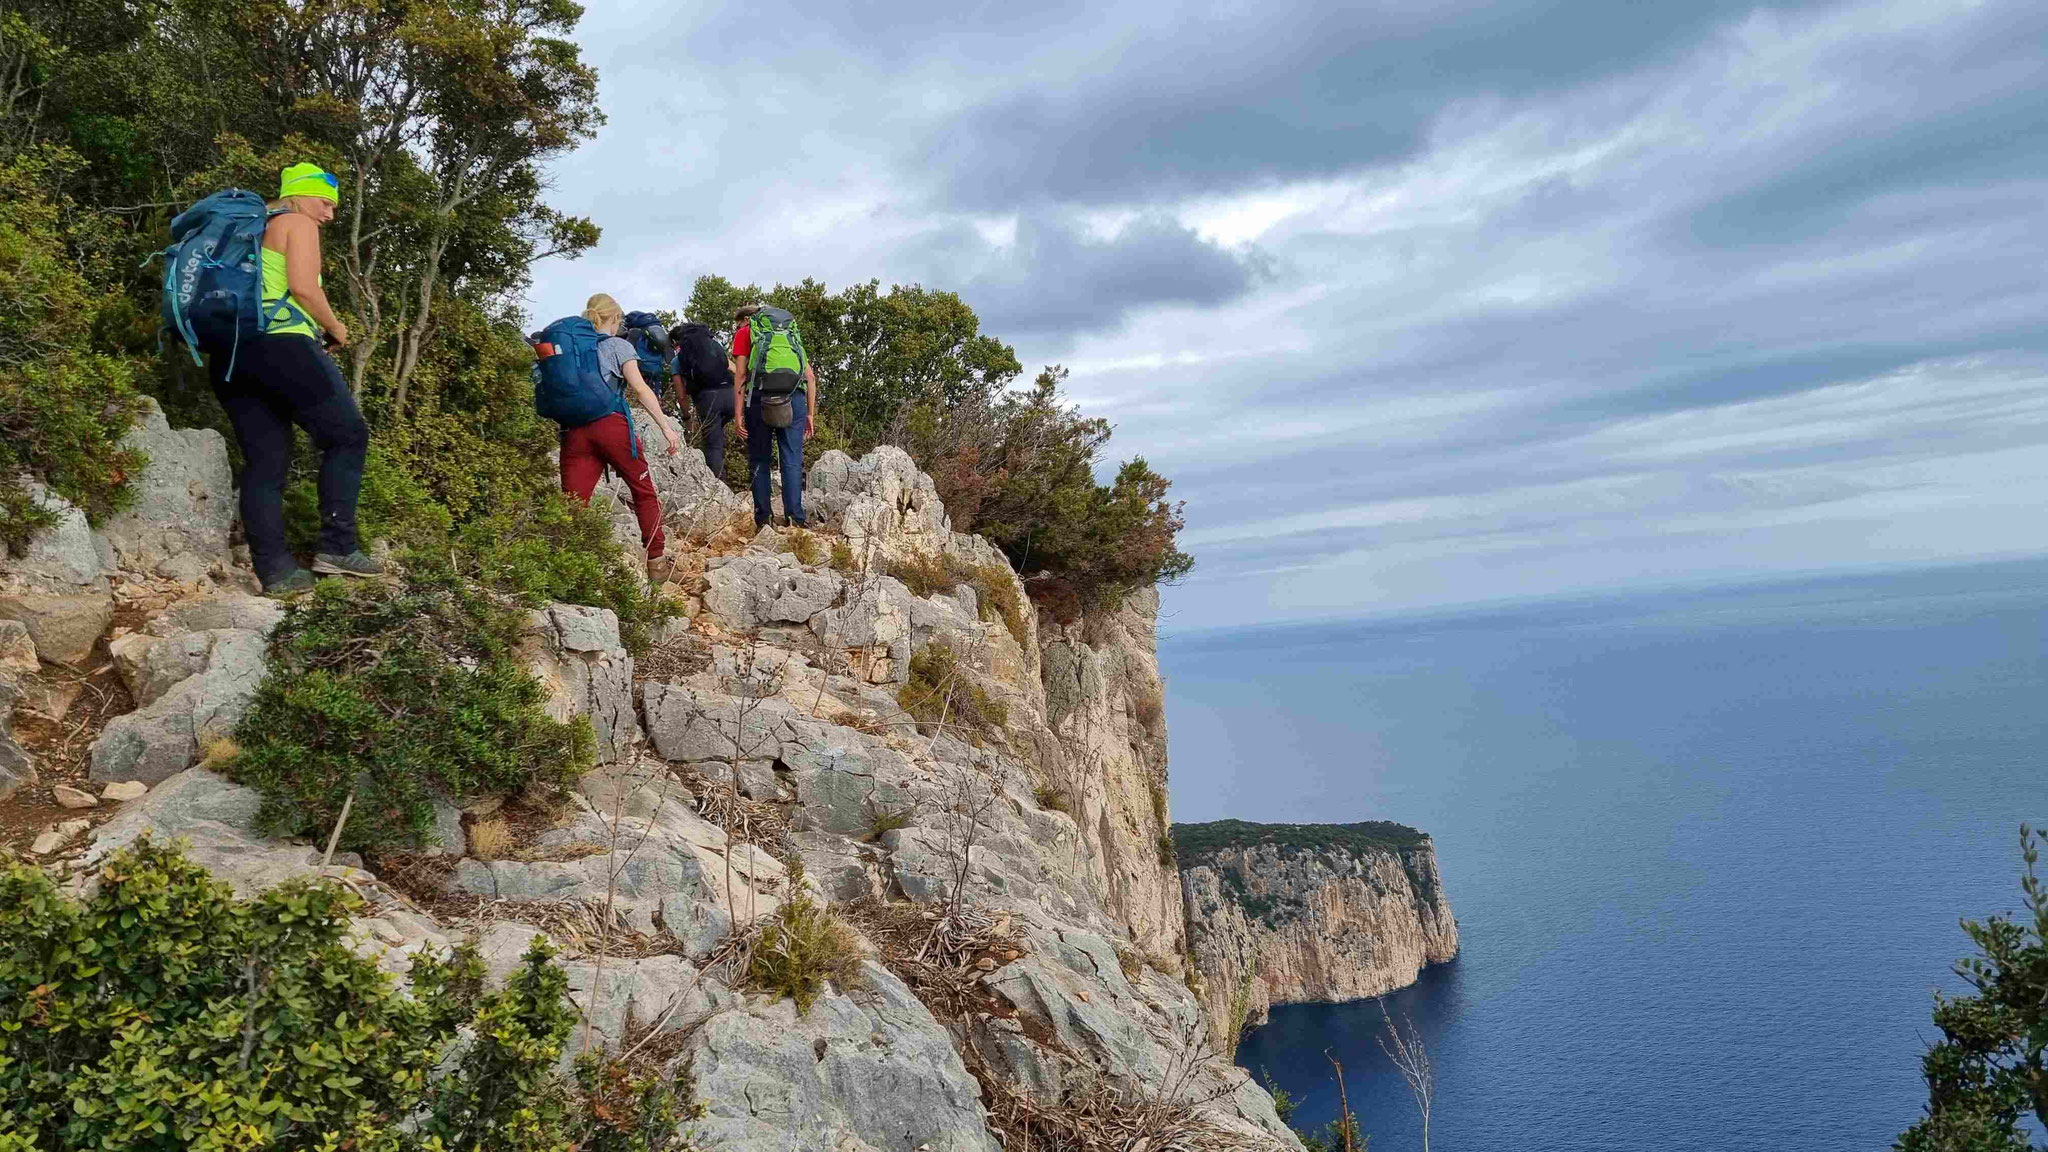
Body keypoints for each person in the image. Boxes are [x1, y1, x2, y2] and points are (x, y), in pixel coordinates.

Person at [212, 162, 379, 595]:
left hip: (231, 352)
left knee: (265, 463)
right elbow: (304, 287)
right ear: (299, 195)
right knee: (348, 436)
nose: (329, 214)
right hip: (281, 343)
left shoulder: (247, 230)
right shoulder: (296, 223)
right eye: (324, 202)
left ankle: (277, 572)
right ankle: (338, 547)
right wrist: (336, 328)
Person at [558, 293, 683, 570]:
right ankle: (657, 563)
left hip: (573, 431)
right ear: (614, 318)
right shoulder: (618, 346)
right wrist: (666, 427)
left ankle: (568, 569)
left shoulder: (570, 350)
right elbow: (641, 389)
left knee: (572, 505)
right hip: (611, 427)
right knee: (643, 491)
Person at [730, 303, 819, 529]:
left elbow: (740, 375)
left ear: (747, 320)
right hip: (794, 398)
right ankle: (795, 518)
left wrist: (738, 413)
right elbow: (810, 376)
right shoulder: (789, 333)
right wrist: (810, 413)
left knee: (760, 458)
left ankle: (764, 519)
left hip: (760, 398)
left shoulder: (745, 332)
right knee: (792, 458)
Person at [669, 320, 735, 477]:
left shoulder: (677, 360)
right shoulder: (713, 348)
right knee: (718, 435)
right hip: (730, 394)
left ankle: (718, 486)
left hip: (707, 399)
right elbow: (735, 369)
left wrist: (687, 417)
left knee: (713, 446)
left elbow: (681, 395)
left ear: (676, 342)